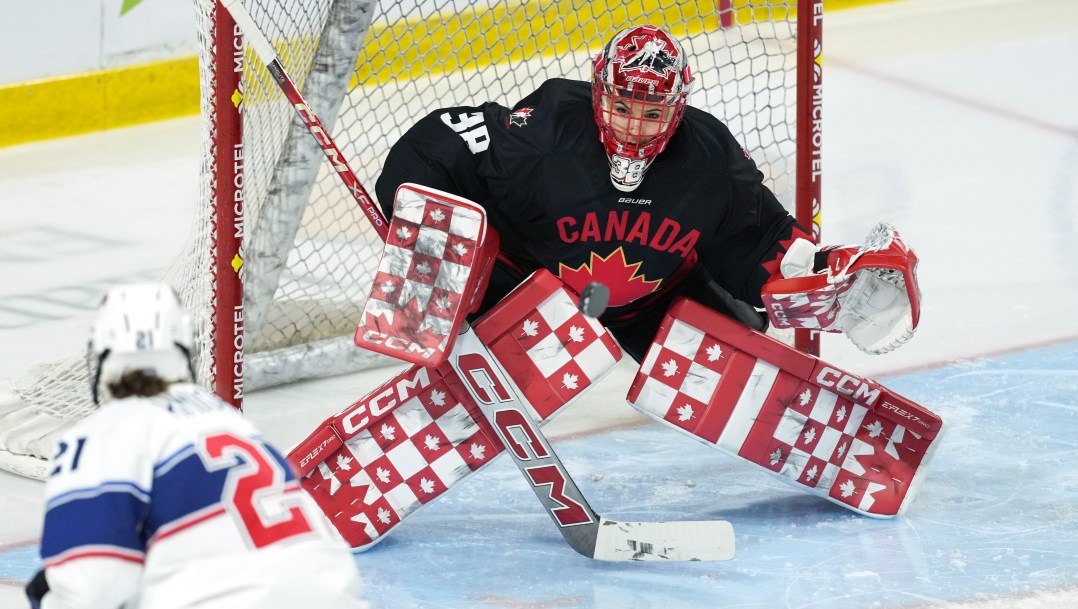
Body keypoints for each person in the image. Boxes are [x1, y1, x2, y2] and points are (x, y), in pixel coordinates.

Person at [376, 24, 917, 362]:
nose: (635, 127)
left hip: (653, 304)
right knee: (512, 364)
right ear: (598, 92)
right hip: (530, 297)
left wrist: (819, 273)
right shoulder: (544, 134)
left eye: (653, 112)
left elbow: (758, 237)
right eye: (623, 107)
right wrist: (426, 230)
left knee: (750, 354)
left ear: (677, 108)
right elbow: (435, 147)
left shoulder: (708, 156)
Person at [26, 283, 368, 609]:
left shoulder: (101, 434)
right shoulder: (228, 421)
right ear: (185, 347)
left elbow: (91, 589)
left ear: (101, 353)